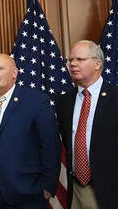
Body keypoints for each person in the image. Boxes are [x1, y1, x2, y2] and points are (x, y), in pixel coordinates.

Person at [0, 53, 61, 208]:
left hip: (27, 193)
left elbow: (50, 146)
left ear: (14, 73)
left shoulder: (36, 101)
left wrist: (48, 185)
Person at [55, 40, 118, 209]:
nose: (73, 64)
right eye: (70, 60)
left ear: (97, 64)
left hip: (109, 190)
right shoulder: (64, 101)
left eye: (80, 59)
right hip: (75, 189)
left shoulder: (115, 97)